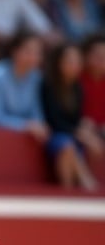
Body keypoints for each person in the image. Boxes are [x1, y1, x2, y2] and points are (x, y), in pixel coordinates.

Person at [40, 43, 100, 190]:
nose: (74, 65)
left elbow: (76, 118)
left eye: (77, 61)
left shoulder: (78, 88)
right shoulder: (48, 85)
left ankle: (70, 189)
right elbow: (53, 120)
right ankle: (83, 181)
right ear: (59, 63)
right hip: (54, 136)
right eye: (70, 61)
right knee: (66, 146)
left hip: (71, 137)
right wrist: (79, 132)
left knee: (70, 146)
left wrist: (84, 128)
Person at [0, 31, 48, 144]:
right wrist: (25, 126)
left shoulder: (37, 78)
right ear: (15, 52)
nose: (33, 57)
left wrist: (38, 124)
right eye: (28, 51)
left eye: (37, 53)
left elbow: (36, 112)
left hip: (25, 141)